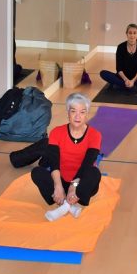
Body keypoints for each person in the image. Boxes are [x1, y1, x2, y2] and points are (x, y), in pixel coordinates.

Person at [31, 93, 102, 221]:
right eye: (73, 111)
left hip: (81, 182)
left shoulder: (95, 135)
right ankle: (68, 205)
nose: (77, 116)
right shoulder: (56, 132)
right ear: (67, 113)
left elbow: (87, 164)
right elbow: (54, 162)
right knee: (37, 172)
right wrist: (58, 186)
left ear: (87, 115)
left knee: (94, 173)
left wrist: (73, 187)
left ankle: (65, 205)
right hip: (61, 181)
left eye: (82, 112)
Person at [99, 23, 137, 91]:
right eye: (130, 33)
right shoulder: (120, 47)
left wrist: (132, 81)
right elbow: (119, 68)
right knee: (103, 73)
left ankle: (125, 84)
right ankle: (127, 84)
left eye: (134, 33)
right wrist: (126, 80)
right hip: (122, 77)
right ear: (127, 34)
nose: (132, 35)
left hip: (136, 78)